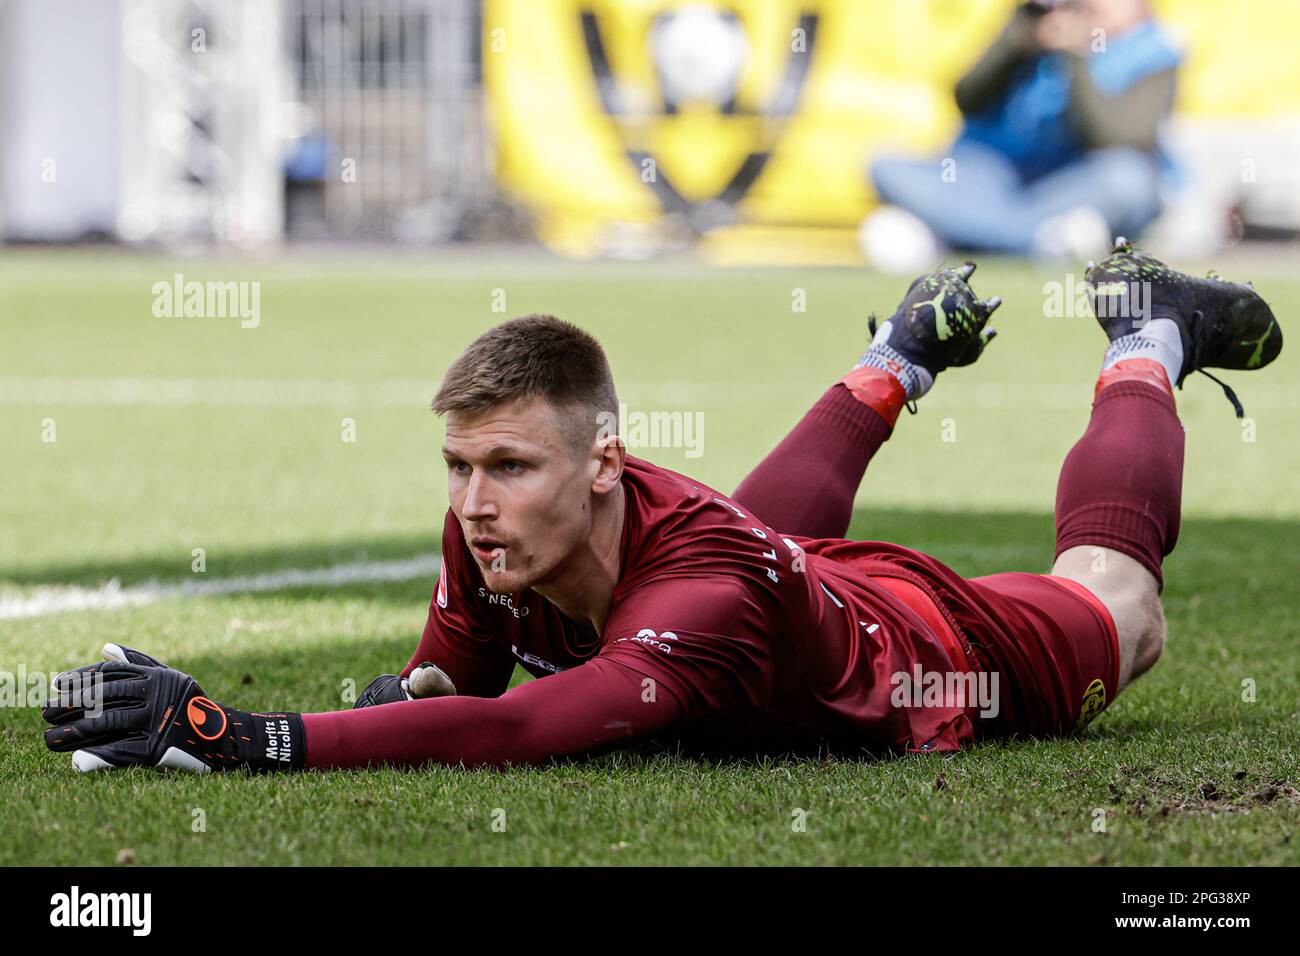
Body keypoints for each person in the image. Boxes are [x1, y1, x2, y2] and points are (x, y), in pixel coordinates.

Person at [42, 241, 1282, 773]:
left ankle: (1144, 331)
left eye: (511, 467)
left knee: (1118, 604)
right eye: (459, 466)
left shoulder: (700, 588)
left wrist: (247, 733)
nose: (475, 503)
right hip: (775, 580)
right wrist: (391, 696)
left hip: (925, 651)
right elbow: (450, 686)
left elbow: (526, 727)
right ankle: (898, 353)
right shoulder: (492, 530)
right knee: (763, 548)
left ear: (604, 463)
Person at [863, 0, 1182, 271]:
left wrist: (1077, 53)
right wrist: (1018, 40)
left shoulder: (1155, 50)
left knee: (1130, 180)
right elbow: (966, 97)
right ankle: (1039, 241)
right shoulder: (1029, 32)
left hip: (1068, 188)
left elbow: (1120, 136)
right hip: (991, 178)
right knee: (885, 166)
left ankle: (961, 236)